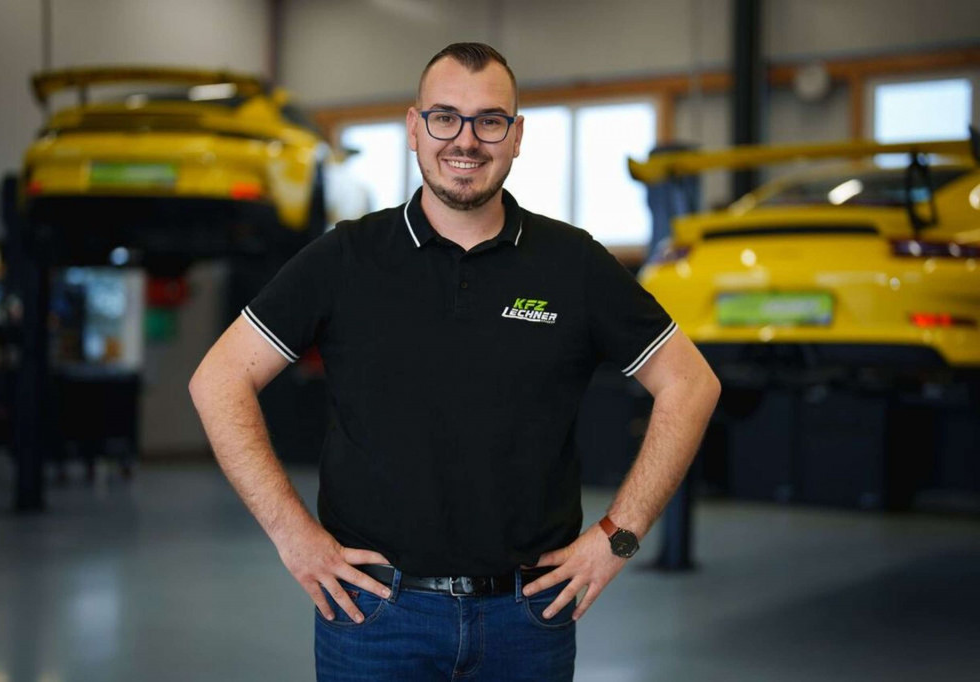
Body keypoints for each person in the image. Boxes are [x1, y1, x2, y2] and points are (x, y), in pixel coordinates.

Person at [189, 42, 720, 681]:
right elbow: (220, 377)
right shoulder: (346, 257)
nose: (465, 140)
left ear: (516, 136)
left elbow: (690, 382)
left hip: (528, 619)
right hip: (372, 617)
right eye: (445, 118)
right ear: (415, 128)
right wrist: (290, 533)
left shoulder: (572, 263)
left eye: (489, 121)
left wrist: (619, 537)